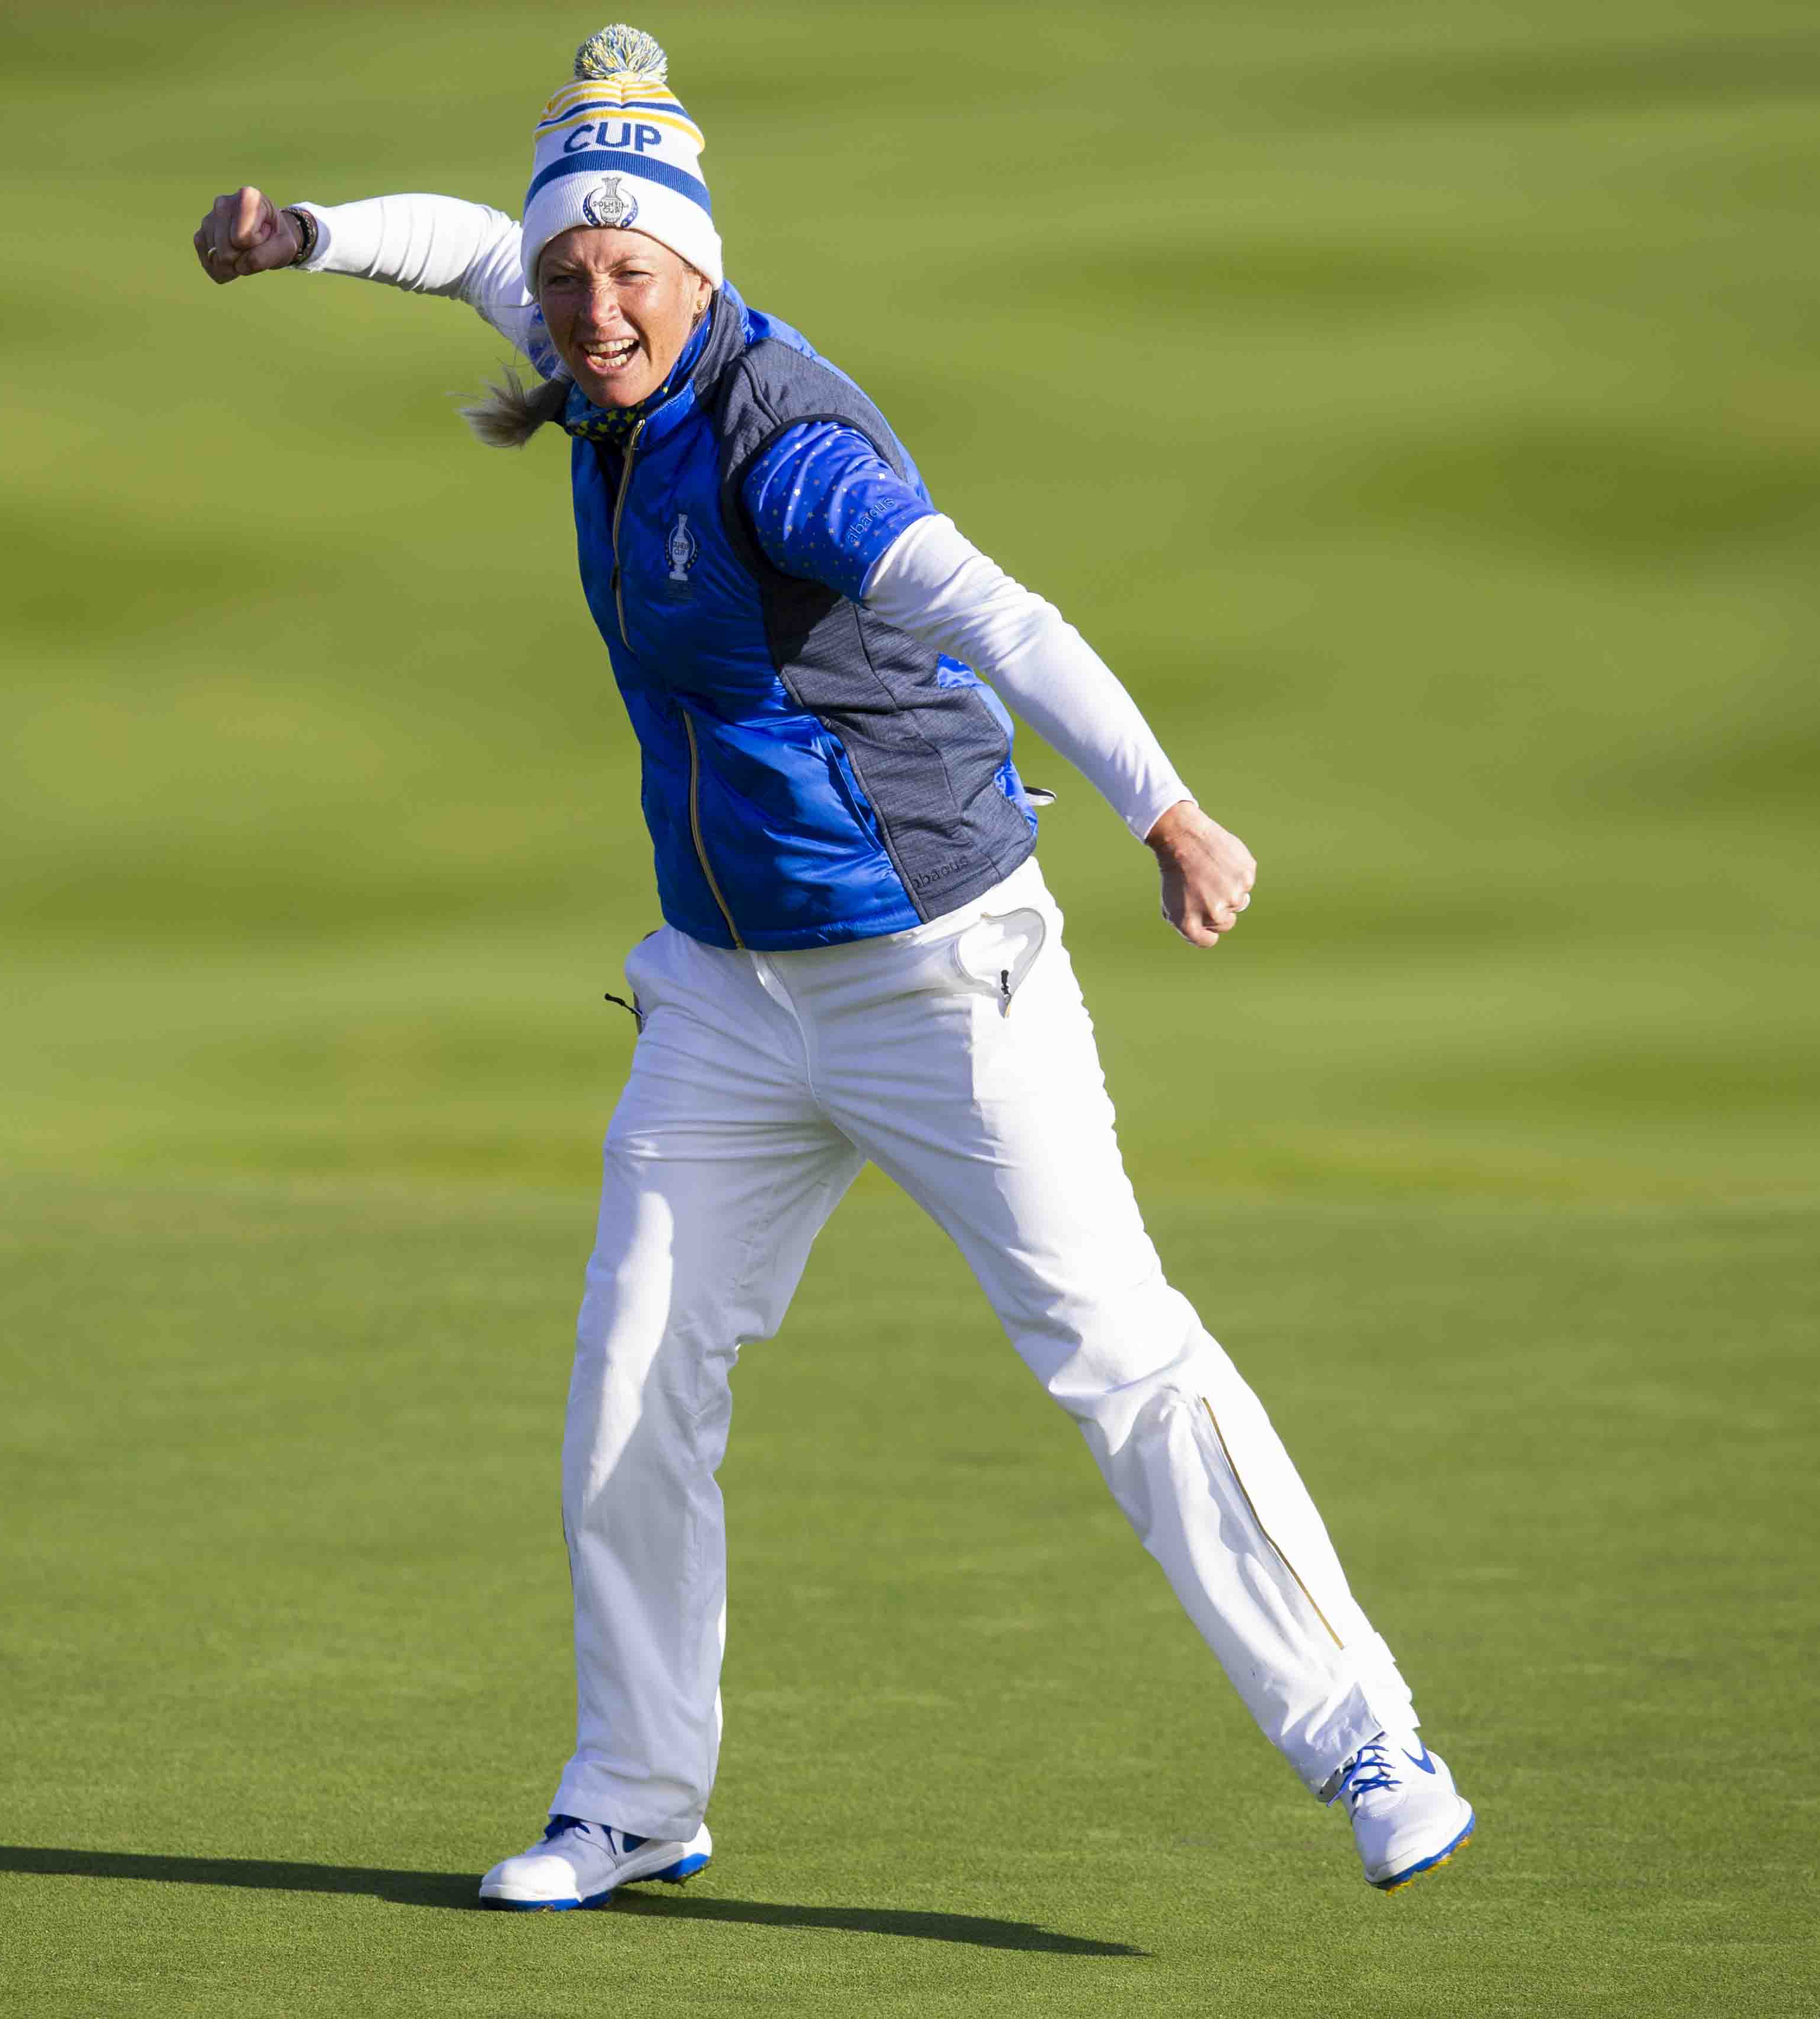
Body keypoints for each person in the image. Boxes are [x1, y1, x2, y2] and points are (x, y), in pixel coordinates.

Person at [192, 23, 1477, 1912]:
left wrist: (1167, 810)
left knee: (1116, 1353)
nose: (591, 306)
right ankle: (634, 1795)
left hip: (941, 981)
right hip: (722, 996)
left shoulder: (787, 449)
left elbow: (1000, 612)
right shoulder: (570, 333)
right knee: (630, 1376)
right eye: (572, 277)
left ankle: (1370, 1737)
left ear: (698, 269)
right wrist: (299, 234)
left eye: (630, 272)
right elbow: (467, 240)